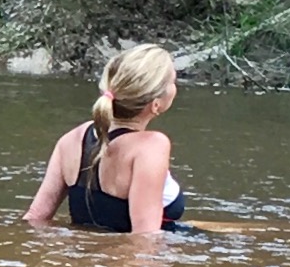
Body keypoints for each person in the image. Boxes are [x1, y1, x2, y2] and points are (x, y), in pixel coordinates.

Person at [25, 45, 185, 237]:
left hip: (81, 258)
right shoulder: (151, 146)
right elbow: (145, 239)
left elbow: (35, 218)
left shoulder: (73, 137)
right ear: (156, 105)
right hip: (121, 262)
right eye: (173, 82)